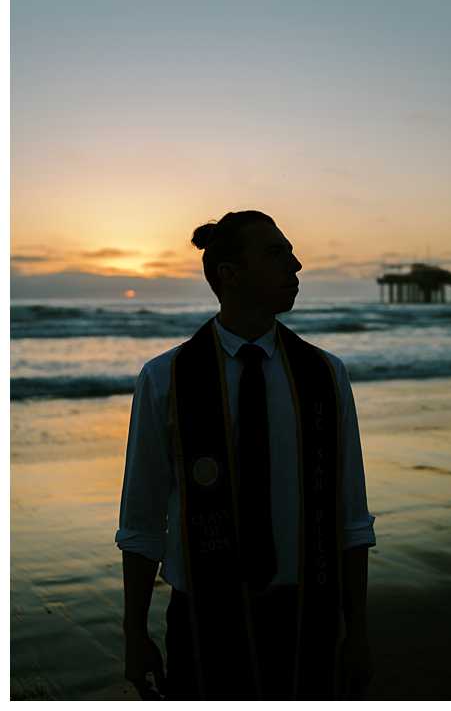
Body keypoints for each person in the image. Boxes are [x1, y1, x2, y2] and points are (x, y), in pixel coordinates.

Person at [116, 210, 376, 699]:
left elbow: (350, 516)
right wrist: (134, 632)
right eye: (277, 253)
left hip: (308, 617)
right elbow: (142, 520)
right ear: (229, 276)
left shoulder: (325, 374)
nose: (297, 265)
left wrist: (356, 630)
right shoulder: (165, 378)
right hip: (202, 622)